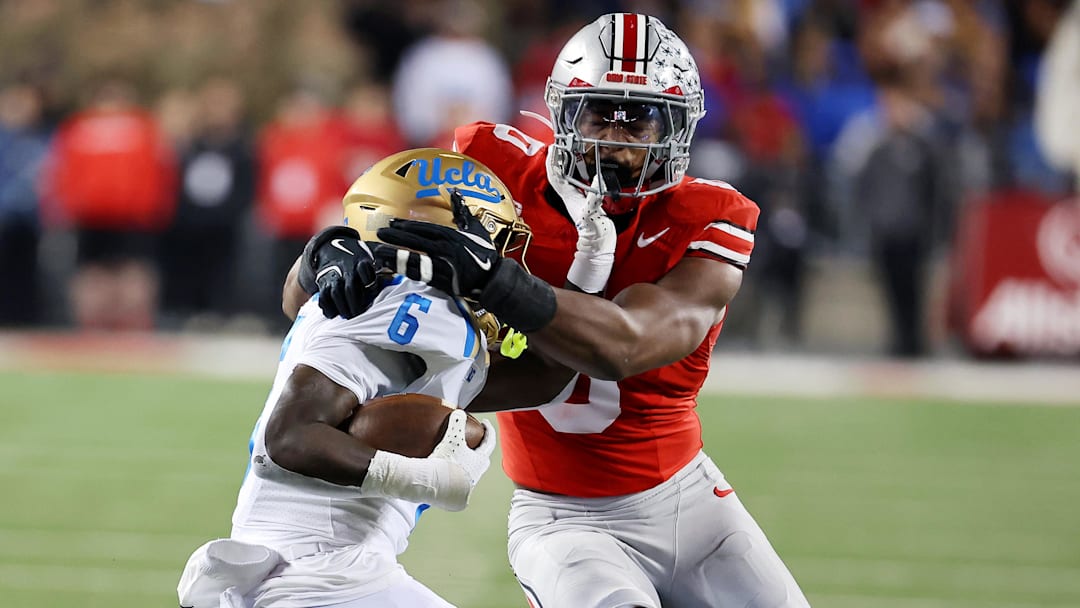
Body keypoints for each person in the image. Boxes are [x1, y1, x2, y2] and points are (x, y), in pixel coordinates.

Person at [285, 13, 811, 608]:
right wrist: (320, 258)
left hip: (689, 500)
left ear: (678, 125)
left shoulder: (708, 215)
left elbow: (624, 345)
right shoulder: (491, 172)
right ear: (561, 113)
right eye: (600, 114)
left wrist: (494, 279)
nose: (617, 139)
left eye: (640, 118)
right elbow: (312, 299)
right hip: (564, 519)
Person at [178, 148, 532, 608]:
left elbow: (548, 378)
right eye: (489, 234)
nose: (500, 255)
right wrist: (430, 478)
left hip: (328, 566)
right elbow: (285, 440)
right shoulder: (402, 302)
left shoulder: (389, 295)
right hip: (321, 572)